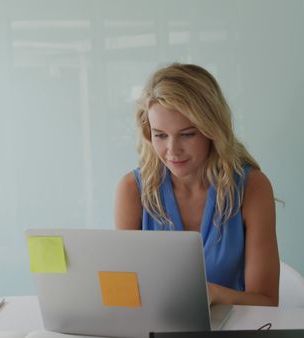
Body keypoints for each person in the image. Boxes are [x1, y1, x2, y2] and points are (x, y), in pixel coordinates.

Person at [115, 63, 279, 306]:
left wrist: (212, 294)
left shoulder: (252, 187)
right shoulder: (132, 190)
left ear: (211, 130)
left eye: (188, 134)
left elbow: (266, 301)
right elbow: (123, 294)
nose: (172, 150)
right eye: (160, 135)